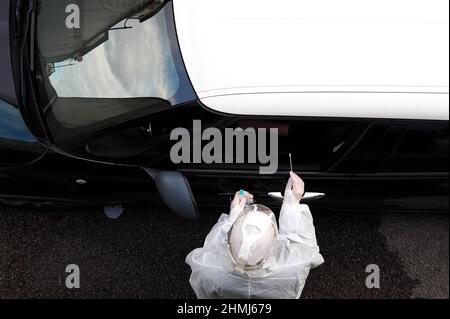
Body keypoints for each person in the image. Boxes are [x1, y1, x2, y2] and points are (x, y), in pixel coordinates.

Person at [186, 172, 324, 299]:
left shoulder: (206, 267)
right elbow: (305, 244)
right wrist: (292, 204)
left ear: (229, 242)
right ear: (273, 245)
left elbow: (212, 247)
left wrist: (233, 216)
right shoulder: (296, 265)